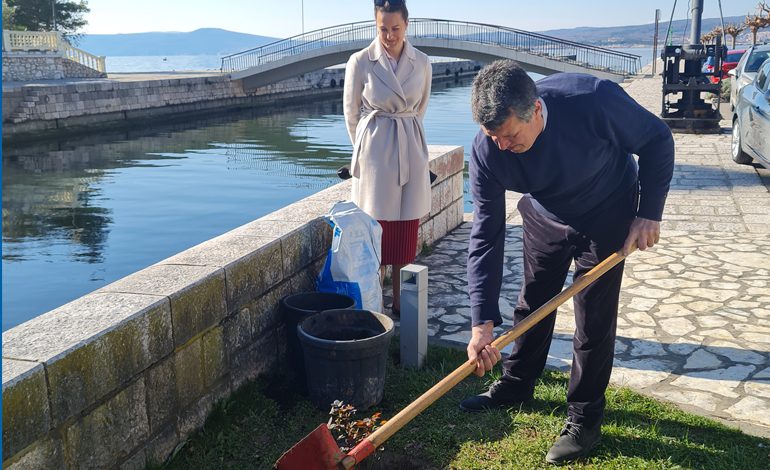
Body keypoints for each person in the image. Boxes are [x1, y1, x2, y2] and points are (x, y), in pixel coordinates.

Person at [460, 60, 674, 464]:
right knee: (534, 301)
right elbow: (485, 234)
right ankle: (517, 383)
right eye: (493, 136)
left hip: (608, 210)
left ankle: (583, 419)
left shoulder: (593, 99)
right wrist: (481, 322)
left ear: (536, 110)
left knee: (592, 318)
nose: (502, 146)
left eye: (510, 136)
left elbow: (658, 139)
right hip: (545, 214)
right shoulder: (488, 148)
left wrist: (649, 213)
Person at [343, 0, 432, 316]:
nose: (389, 36)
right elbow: (351, 113)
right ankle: (374, 301)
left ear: (407, 25)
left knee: (405, 231)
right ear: (375, 25)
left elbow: (420, 108)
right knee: (375, 230)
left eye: (395, 28)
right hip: (375, 152)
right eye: (383, 29)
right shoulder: (360, 61)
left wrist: (406, 133)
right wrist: (367, 148)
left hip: (409, 144)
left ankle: (400, 300)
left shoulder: (421, 62)